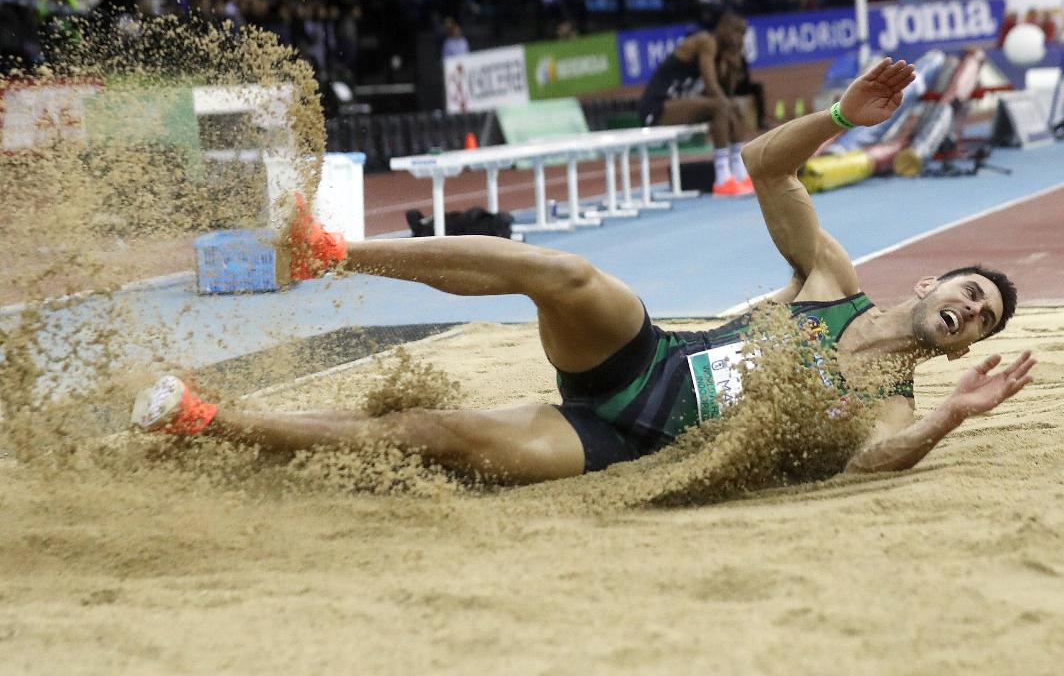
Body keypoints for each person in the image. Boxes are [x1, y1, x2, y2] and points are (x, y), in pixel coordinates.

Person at [132, 58, 1035, 484]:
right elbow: (766, 166)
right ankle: (330, 252)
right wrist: (840, 113)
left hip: (626, 443)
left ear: (964, 351)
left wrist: (950, 421)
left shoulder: (894, 405)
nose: (969, 310)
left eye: (983, 319)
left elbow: (875, 462)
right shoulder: (834, 285)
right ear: (928, 285)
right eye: (968, 291)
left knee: (440, 433)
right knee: (562, 271)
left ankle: (210, 422)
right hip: (641, 363)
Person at [636, 0, 753, 196]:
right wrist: (728, 106)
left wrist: (732, 67)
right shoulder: (705, 42)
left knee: (732, 105)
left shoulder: (722, 54)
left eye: (743, 34)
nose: (739, 39)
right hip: (656, 106)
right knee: (721, 107)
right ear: (723, 28)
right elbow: (711, 85)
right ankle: (722, 177)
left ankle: (739, 172)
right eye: (736, 32)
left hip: (677, 105)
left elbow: (726, 92)